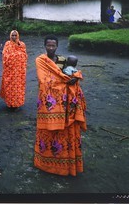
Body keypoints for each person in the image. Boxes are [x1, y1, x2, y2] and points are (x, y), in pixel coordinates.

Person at [34, 34, 87, 176]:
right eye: (48, 45)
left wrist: (72, 79)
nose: (51, 48)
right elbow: (45, 80)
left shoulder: (63, 60)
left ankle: (65, 160)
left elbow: (68, 74)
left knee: (65, 129)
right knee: (48, 130)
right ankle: (46, 162)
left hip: (64, 101)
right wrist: (65, 81)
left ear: (57, 46)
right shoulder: (40, 60)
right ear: (45, 46)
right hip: (48, 101)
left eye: (53, 45)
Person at [0, 30, 28, 111]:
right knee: (9, 87)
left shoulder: (22, 45)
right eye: (13, 35)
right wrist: (17, 56)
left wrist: (16, 56)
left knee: (18, 88)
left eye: (15, 35)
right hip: (10, 71)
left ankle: (17, 104)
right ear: (10, 36)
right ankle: (10, 104)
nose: (14, 37)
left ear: (18, 36)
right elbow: (5, 56)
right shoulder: (7, 44)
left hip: (19, 72)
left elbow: (24, 56)